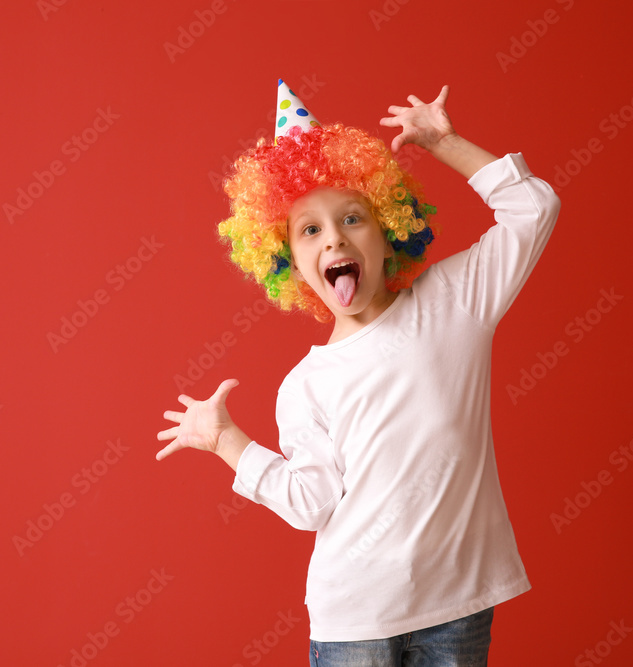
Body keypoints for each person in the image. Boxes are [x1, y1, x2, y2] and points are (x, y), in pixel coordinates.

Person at [157, 81, 561, 666]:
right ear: (287, 261)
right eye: (310, 230)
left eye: (353, 218)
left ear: (390, 229)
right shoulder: (304, 385)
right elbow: (310, 501)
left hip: (458, 604)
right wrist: (227, 441)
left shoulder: (453, 301)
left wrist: (445, 144)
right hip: (354, 619)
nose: (336, 237)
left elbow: (534, 209)